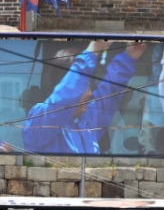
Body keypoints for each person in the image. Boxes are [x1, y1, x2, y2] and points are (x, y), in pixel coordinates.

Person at [20, 41, 148, 154]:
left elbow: (110, 91)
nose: (90, 93)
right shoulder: (40, 118)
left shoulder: (88, 119)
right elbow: (65, 96)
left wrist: (129, 56)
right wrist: (93, 49)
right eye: (85, 87)